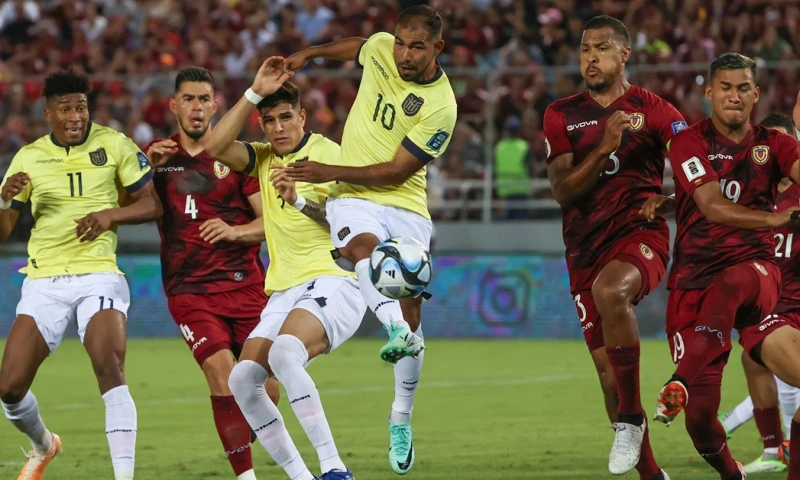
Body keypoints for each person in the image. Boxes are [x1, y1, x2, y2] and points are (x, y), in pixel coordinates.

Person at [282, 5, 457, 473]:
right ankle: (392, 328)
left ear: (437, 48)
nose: (403, 52)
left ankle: (401, 415)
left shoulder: (442, 106)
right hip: (352, 198)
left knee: (414, 310)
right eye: (400, 42)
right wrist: (310, 53)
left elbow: (397, 171)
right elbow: (357, 49)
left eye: (416, 46)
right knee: (363, 249)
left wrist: (327, 169)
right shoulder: (382, 48)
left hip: (404, 203)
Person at [0, 69, 163, 480]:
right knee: (9, 389)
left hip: (98, 275)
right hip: (44, 281)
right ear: (49, 113)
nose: (76, 116)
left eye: (82, 107)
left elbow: (152, 205)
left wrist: (111, 214)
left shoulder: (114, 144)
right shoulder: (28, 157)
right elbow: (2, 232)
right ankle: (43, 445)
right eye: (66, 108)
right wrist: (2, 197)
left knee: (109, 365)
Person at [206, 58, 364, 480]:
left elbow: (351, 229)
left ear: (303, 117)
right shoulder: (260, 158)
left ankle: (334, 468)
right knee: (242, 380)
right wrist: (253, 91)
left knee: (284, 353)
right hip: (285, 291)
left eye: (286, 117)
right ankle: (301, 477)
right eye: (269, 119)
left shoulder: (330, 155)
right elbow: (215, 146)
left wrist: (298, 201)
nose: (278, 127)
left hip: (334, 280)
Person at [541, 15, 685, 478]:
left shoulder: (658, 110)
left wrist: (668, 201)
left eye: (601, 48)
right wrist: (604, 147)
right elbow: (563, 191)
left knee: (612, 292)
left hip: (639, 237)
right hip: (583, 250)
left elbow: (700, 175)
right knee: (608, 377)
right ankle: (650, 473)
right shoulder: (561, 113)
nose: (590, 58)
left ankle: (628, 421)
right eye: (584, 49)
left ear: (624, 54)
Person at [646, 53, 800, 480]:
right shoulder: (689, 143)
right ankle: (734, 475)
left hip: (757, 274)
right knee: (699, 418)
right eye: (726, 87)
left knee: (734, 281)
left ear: (756, 94)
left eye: (744, 88)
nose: (735, 96)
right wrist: (775, 218)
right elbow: (712, 206)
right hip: (693, 282)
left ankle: (679, 378)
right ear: (710, 92)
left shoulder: (775, 143)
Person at [144, 66, 278, 480]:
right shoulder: (158, 157)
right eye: (189, 99)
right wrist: (146, 173)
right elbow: (135, 207)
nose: (197, 107)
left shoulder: (237, 157)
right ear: (174, 105)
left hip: (246, 287)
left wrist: (235, 232)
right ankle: (246, 476)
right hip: (190, 291)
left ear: (216, 106)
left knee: (266, 391)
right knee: (220, 373)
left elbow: (268, 223)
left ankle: (238, 434)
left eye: (204, 99)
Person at [714, 113, 800, 474]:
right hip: (766, 313)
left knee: (758, 364)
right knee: (755, 359)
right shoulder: (743, 193)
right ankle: (774, 449)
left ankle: (779, 450)